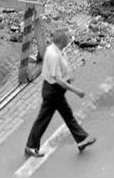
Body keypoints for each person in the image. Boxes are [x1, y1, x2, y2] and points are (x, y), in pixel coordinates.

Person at [24, 28, 95, 156]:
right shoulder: (53, 55)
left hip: (54, 91)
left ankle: (81, 140)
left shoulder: (56, 50)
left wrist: (68, 76)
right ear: (62, 40)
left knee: (62, 116)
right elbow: (57, 79)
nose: (69, 39)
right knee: (46, 119)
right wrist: (76, 90)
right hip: (53, 91)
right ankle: (30, 146)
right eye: (67, 37)